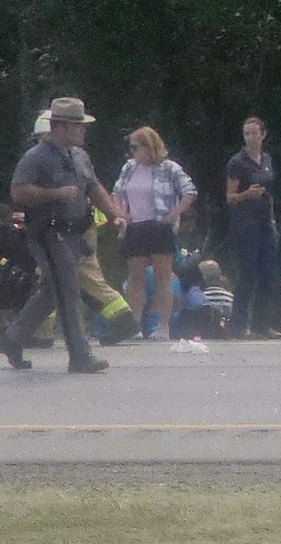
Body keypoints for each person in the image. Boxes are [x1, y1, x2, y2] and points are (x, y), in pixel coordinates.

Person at [3, 97, 128, 373]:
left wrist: (114, 214)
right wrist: (55, 193)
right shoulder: (36, 158)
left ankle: (12, 339)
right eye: (77, 126)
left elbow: (94, 187)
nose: (83, 131)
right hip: (48, 232)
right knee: (68, 289)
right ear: (60, 127)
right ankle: (80, 355)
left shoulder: (80, 156)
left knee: (52, 290)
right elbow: (18, 191)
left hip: (74, 233)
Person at [112, 125, 198, 342]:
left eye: (135, 147)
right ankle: (135, 325)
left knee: (162, 277)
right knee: (136, 278)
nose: (132, 152)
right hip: (135, 226)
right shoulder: (129, 168)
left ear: (148, 147)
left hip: (159, 225)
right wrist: (122, 214)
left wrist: (175, 213)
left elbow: (189, 191)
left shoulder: (168, 168)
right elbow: (117, 192)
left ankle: (163, 325)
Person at [224, 115, 278, 337]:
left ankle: (261, 325)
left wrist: (273, 220)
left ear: (263, 134)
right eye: (247, 133)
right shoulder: (237, 162)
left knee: (266, 274)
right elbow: (230, 196)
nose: (251, 137)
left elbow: (271, 192)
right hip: (245, 224)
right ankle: (238, 325)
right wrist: (247, 194)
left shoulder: (266, 159)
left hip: (265, 222)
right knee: (247, 274)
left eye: (255, 133)